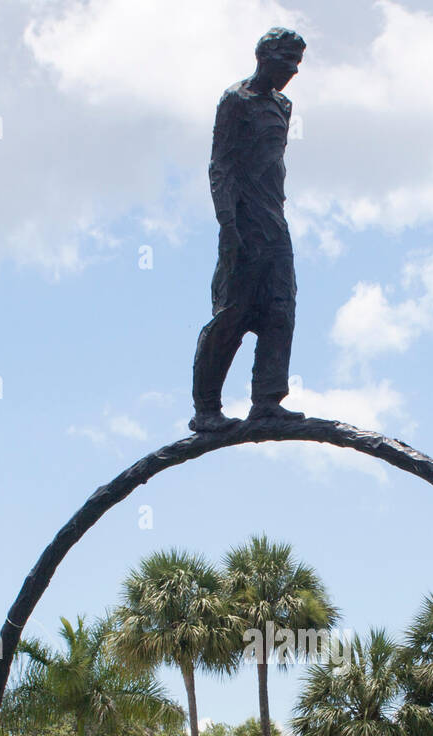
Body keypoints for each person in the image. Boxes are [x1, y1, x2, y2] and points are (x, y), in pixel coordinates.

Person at [189, 28, 306, 433]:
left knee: (280, 310)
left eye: (297, 62)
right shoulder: (236, 101)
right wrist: (227, 224)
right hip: (242, 222)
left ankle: (266, 401)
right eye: (286, 60)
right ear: (263, 56)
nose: (292, 70)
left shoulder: (284, 106)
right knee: (232, 314)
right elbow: (220, 165)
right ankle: (207, 409)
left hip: (275, 223)